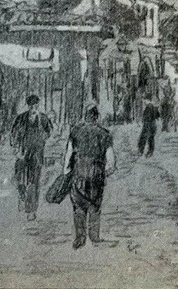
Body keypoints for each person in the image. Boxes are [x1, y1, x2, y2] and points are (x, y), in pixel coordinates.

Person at [63, 104, 117, 248]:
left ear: (85, 116)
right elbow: (111, 160)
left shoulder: (75, 132)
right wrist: (105, 172)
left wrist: (66, 170)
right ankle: (94, 237)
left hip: (79, 173)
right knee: (95, 206)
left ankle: (80, 238)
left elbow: (69, 153)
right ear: (96, 117)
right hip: (96, 175)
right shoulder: (104, 134)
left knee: (78, 206)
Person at [10, 94, 53, 221]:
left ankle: (31, 210)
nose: (33, 108)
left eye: (35, 105)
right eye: (31, 106)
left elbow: (49, 132)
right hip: (22, 154)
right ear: (28, 106)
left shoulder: (43, 119)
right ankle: (22, 196)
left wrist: (41, 138)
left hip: (37, 155)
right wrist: (15, 148)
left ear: (38, 105)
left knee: (34, 182)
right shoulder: (21, 118)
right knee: (20, 180)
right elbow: (13, 134)